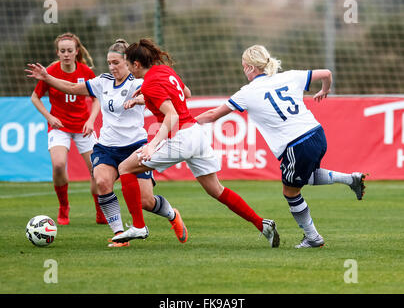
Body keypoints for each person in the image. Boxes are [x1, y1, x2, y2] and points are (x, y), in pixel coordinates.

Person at [109, 38, 279, 248]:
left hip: (180, 136)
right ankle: (262, 225)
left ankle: (139, 226)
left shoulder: (150, 82)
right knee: (217, 190)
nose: (127, 68)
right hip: (196, 135)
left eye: (127, 63)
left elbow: (171, 116)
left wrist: (152, 145)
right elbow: (185, 94)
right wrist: (144, 98)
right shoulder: (165, 72)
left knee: (125, 167)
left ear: (136, 64)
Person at [195, 44, 366, 248]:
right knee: (303, 177)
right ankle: (350, 179)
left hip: (296, 143)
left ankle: (313, 237)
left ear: (250, 67)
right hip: (317, 134)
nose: (243, 71)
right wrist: (324, 90)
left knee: (291, 192)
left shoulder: (247, 92)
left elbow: (213, 115)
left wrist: (184, 123)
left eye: (243, 66)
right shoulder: (290, 76)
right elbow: (327, 73)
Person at [26, 39, 188, 248]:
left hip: (135, 146)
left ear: (129, 63)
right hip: (107, 146)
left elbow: (158, 96)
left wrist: (140, 99)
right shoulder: (102, 81)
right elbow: (72, 87)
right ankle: (120, 234)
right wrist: (47, 77)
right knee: (102, 182)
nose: (112, 67)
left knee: (146, 202)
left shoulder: (139, 82)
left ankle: (172, 214)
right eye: (109, 63)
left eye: (116, 63)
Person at [30, 32, 105, 226]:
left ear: (76, 51)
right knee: (58, 164)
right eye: (62, 51)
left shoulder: (85, 72)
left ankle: (100, 210)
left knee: (97, 171)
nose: (66, 54)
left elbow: (96, 99)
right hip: (59, 127)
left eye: (69, 50)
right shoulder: (50, 71)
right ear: (57, 52)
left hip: (83, 128)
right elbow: (35, 97)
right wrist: (49, 117)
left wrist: (91, 120)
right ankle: (63, 207)